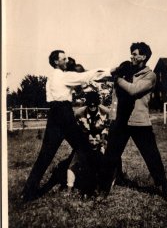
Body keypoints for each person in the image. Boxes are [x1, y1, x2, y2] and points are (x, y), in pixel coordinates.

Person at [21, 50, 111, 202]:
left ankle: (28, 192)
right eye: (64, 58)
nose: (67, 60)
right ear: (56, 62)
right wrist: (110, 71)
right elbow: (85, 76)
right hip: (64, 115)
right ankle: (93, 187)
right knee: (85, 150)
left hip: (54, 116)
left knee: (45, 156)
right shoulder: (63, 76)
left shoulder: (51, 77)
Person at [101, 42, 167, 199]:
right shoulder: (126, 70)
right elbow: (114, 91)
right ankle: (103, 189)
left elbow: (133, 90)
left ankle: (163, 186)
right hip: (121, 121)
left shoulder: (149, 76)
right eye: (131, 53)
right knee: (110, 156)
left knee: (152, 156)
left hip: (139, 122)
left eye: (135, 53)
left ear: (143, 57)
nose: (131, 56)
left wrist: (117, 78)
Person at [66, 91, 110, 193]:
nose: (93, 106)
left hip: (101, 139)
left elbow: (108, 129)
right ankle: (69, 188)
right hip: (86, 139)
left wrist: (103, 142)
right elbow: (77, 131)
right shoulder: (79, 113)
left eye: (95, 104)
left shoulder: (106, 113)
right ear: (87, 104)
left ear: (98, 103)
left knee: (105, 161)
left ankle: (102, 187)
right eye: (90, 104)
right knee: (75, 161)